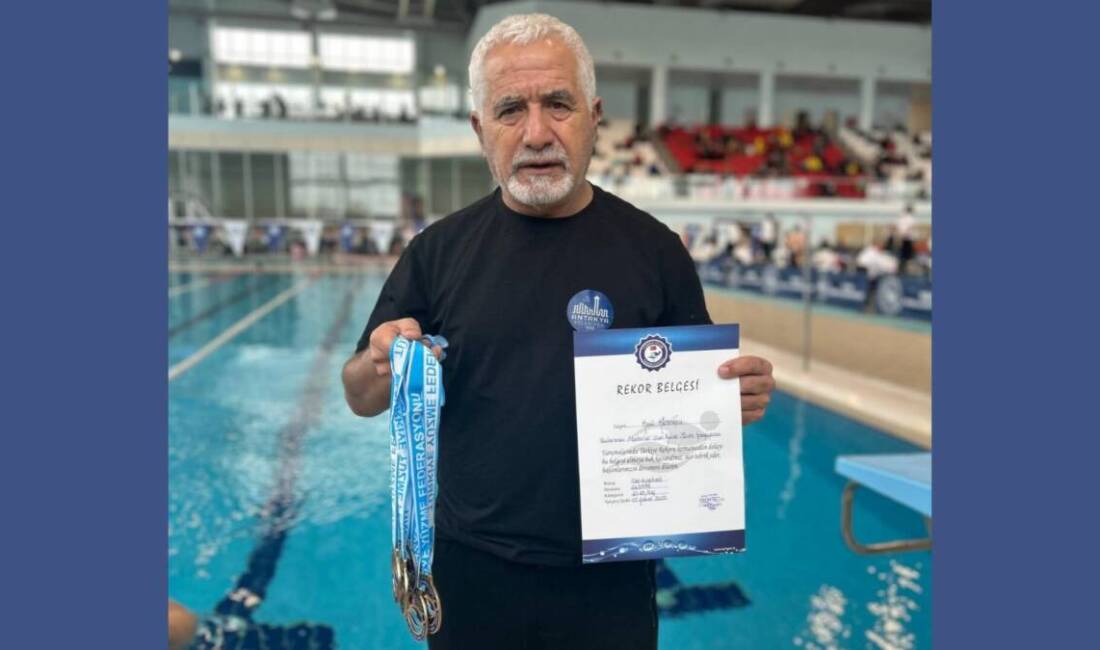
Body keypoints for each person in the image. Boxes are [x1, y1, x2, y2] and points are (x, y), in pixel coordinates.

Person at [340, 14, 775, 650]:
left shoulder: (655, 251)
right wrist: (380, 364)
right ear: (480, 129)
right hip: (472, 572)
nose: (537, 132)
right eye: (510, 109)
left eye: (559, 104)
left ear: (594, 117)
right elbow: (359, 395)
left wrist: (736, 395)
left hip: (611, 579)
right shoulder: (438, 252)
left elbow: (699, 400)